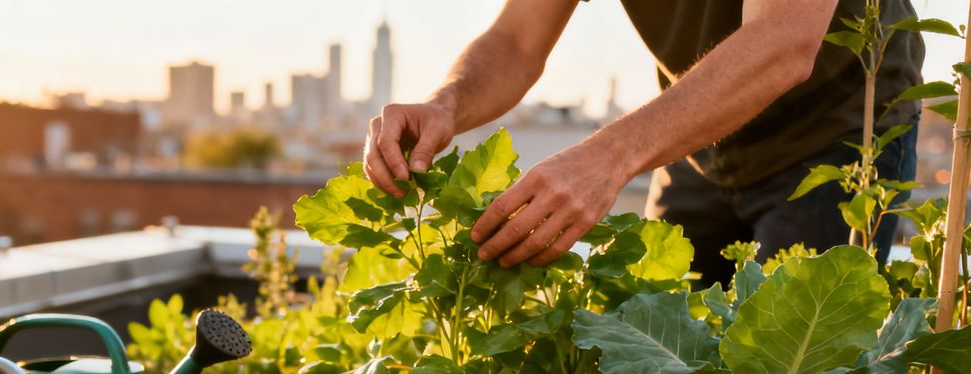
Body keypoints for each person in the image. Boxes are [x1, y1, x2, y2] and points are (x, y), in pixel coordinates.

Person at [363, 0, 923, 286]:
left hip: (838, 132)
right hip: (698, 141)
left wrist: (607, 159)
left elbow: (783, 41)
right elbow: (515, 38)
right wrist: (446, 104)